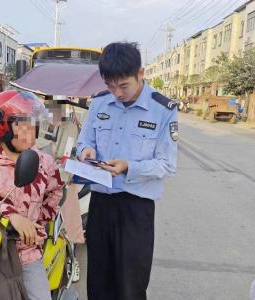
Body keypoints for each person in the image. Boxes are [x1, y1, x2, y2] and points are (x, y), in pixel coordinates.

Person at [76, 42, 178, 300]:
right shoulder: (100, 103)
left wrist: (129, 167)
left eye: (124, 86)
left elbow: (167, 164)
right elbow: (84, 141)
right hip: (100, 204)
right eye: (110, 86)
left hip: (136, 209)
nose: (117, 93)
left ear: (140, 74)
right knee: (98, 281)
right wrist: (85, 151)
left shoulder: (162, 109)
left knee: (130, 286)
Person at [0, 90, 64, 300]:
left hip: (26, 252)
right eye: (21, 123)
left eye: (33, 122)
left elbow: (55, 192)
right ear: (2, 127)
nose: (30, 130)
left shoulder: (44, 162)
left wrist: (37, 223)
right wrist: (11, 216)